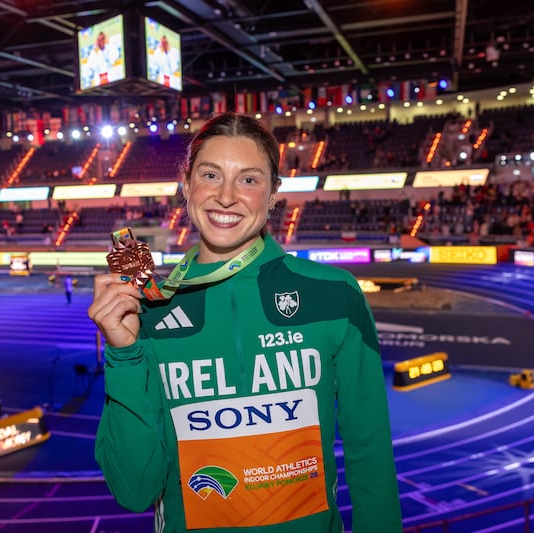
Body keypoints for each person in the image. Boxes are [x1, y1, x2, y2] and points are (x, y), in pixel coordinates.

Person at [88, 112, 401, 532]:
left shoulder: (335, 295)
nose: (227, 196)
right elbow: (134, 491)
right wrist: (124, 355)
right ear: (187, 185)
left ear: (273, 193)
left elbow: (371, 454)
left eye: (249, 180)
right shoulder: (150, 310)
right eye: (211, 175)